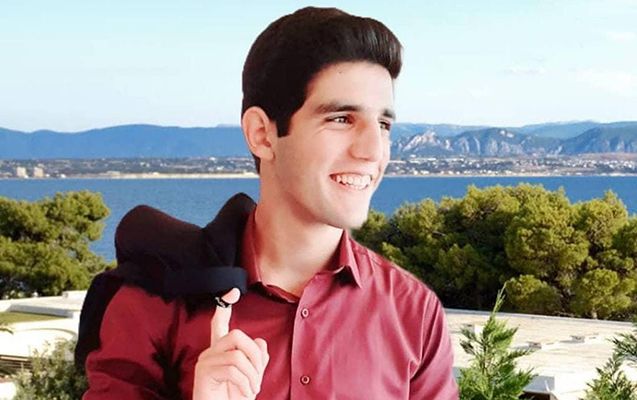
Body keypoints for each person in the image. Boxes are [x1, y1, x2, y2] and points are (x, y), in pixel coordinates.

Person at [81, 6, 458, 399]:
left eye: (383, 124)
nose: (373, 150)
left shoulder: (414, 312)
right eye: (342, 119)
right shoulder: (154, 301)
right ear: (262, 134)